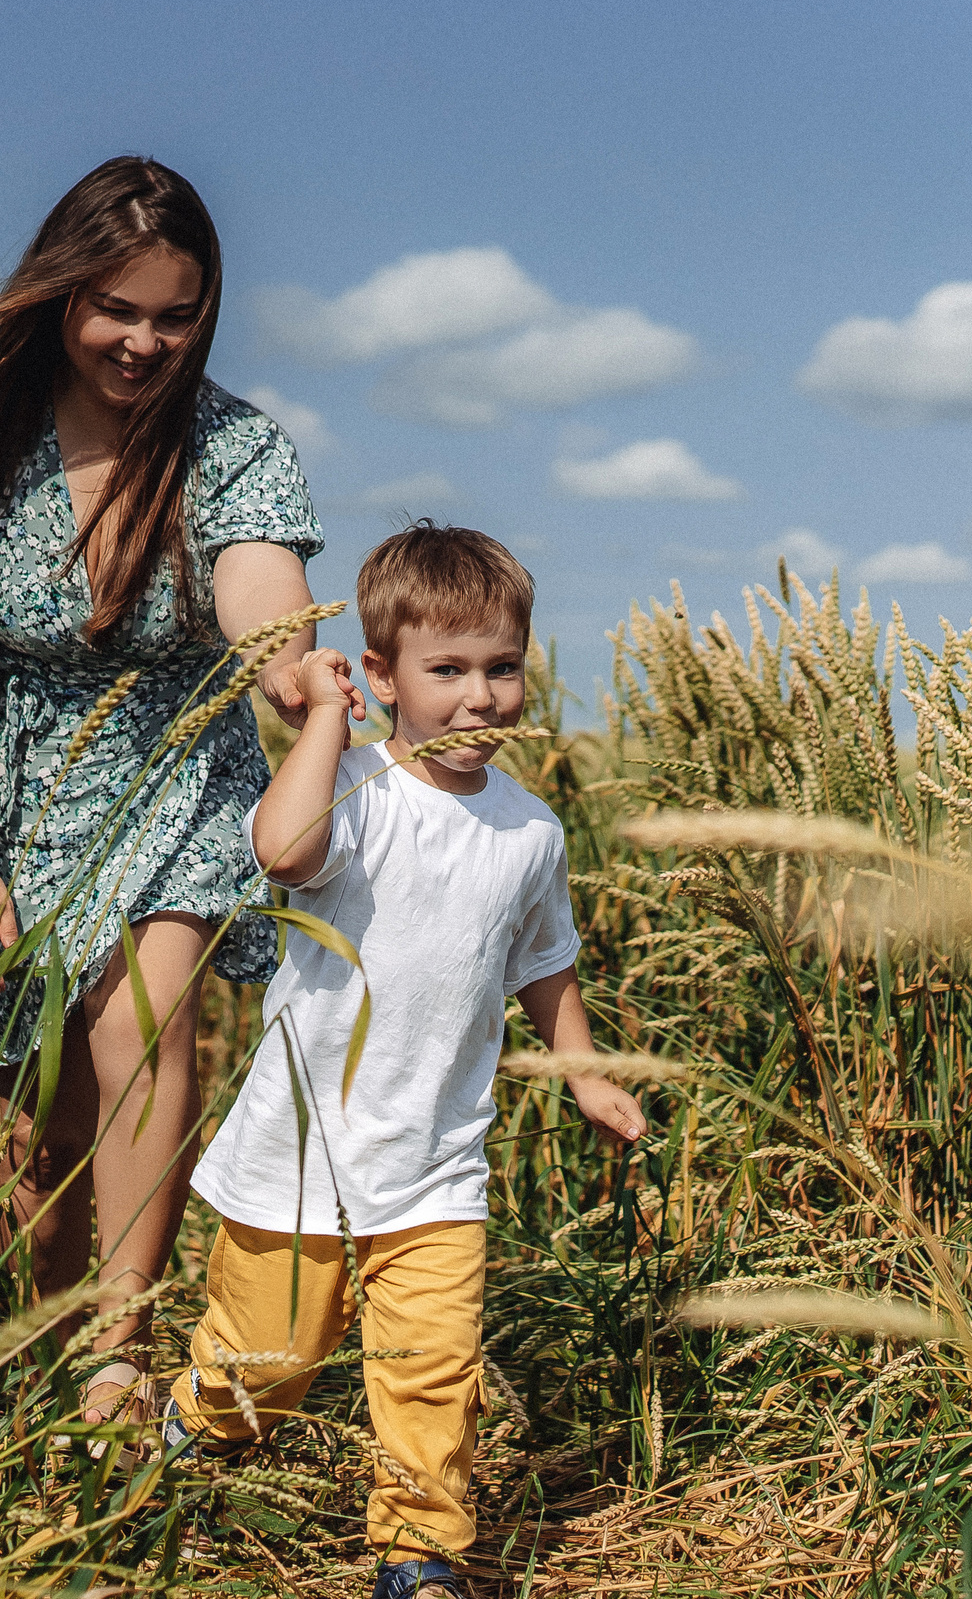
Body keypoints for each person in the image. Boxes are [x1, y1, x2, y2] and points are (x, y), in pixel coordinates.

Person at [0, 157, 325, 1428]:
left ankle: (118, 1353)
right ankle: (37, 1331)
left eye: (176, 315)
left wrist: (292, 665)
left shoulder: (232, 445)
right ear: (63, 295)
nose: (144, 341)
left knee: (145, 1021)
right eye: (118, 309)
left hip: (173, 766)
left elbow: (257, 582)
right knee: (47, 1112)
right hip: (12, 791)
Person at [163, 522, 647, 1599]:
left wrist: (581, 1070)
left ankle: (418, 1555)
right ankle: (181, 1439)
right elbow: (282, 852)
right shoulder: (357, 792)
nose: (480, 698)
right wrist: (325, 723)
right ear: (381, 676)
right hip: (300, 1160)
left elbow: (545, 965)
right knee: (269, 1369)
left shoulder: (530, 835)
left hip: (436, 1165)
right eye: (448, 671)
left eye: (502, 669)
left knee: (432, 1372)